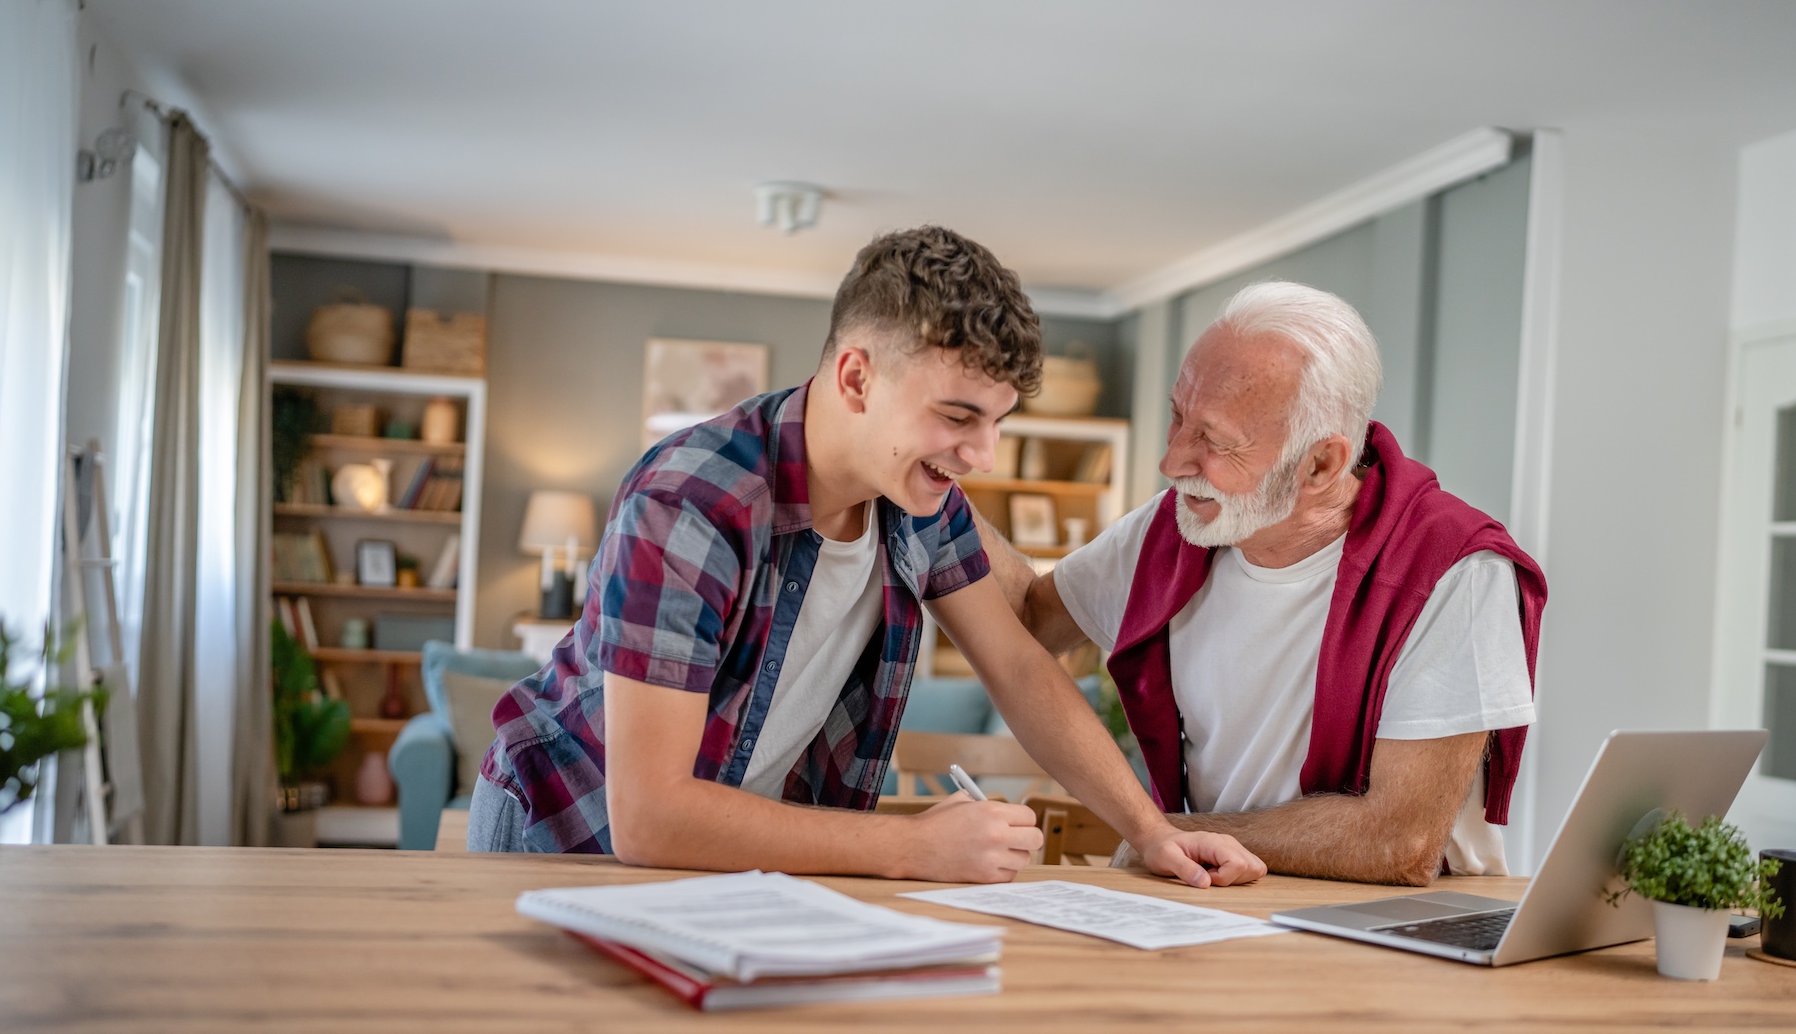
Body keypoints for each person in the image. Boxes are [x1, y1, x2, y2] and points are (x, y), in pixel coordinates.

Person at [468, 225, 1265, 888]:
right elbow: (648, 815)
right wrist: (915, 848)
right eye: (957, 416)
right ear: (856, 377)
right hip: (564, 835)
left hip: (715, 860)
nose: (981, 455)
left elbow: (1020, 670)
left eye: (996, 423)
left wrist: (1151, 832)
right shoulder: (691, 505)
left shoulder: (920, 503)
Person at [984, 281, 1547, 887]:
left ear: (1321, 464)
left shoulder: (1454, 568)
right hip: (1221, 903)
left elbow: (1400, 842)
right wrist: (932, 480)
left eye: (1215, 441)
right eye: (1178, 416)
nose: (1171, 461)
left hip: (1399, 934)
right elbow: (1026, 621)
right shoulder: (1174, 527)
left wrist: (1161, 833)